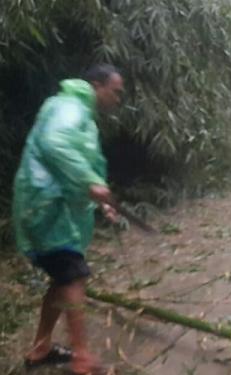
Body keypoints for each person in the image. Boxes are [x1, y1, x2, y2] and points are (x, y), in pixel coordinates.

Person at [12, 64, 124, 374]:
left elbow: (85, 161)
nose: (118, 98)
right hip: (46, 208)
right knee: (73, 277)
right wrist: (90, 182)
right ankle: (82, 358)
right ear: (97, 86)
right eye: (115, 92)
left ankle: (41, 348)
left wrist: (102, 201)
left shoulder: (82, 115)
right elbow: (55, 143)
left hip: (55, 210)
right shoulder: (69, 107)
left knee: (62, 279)